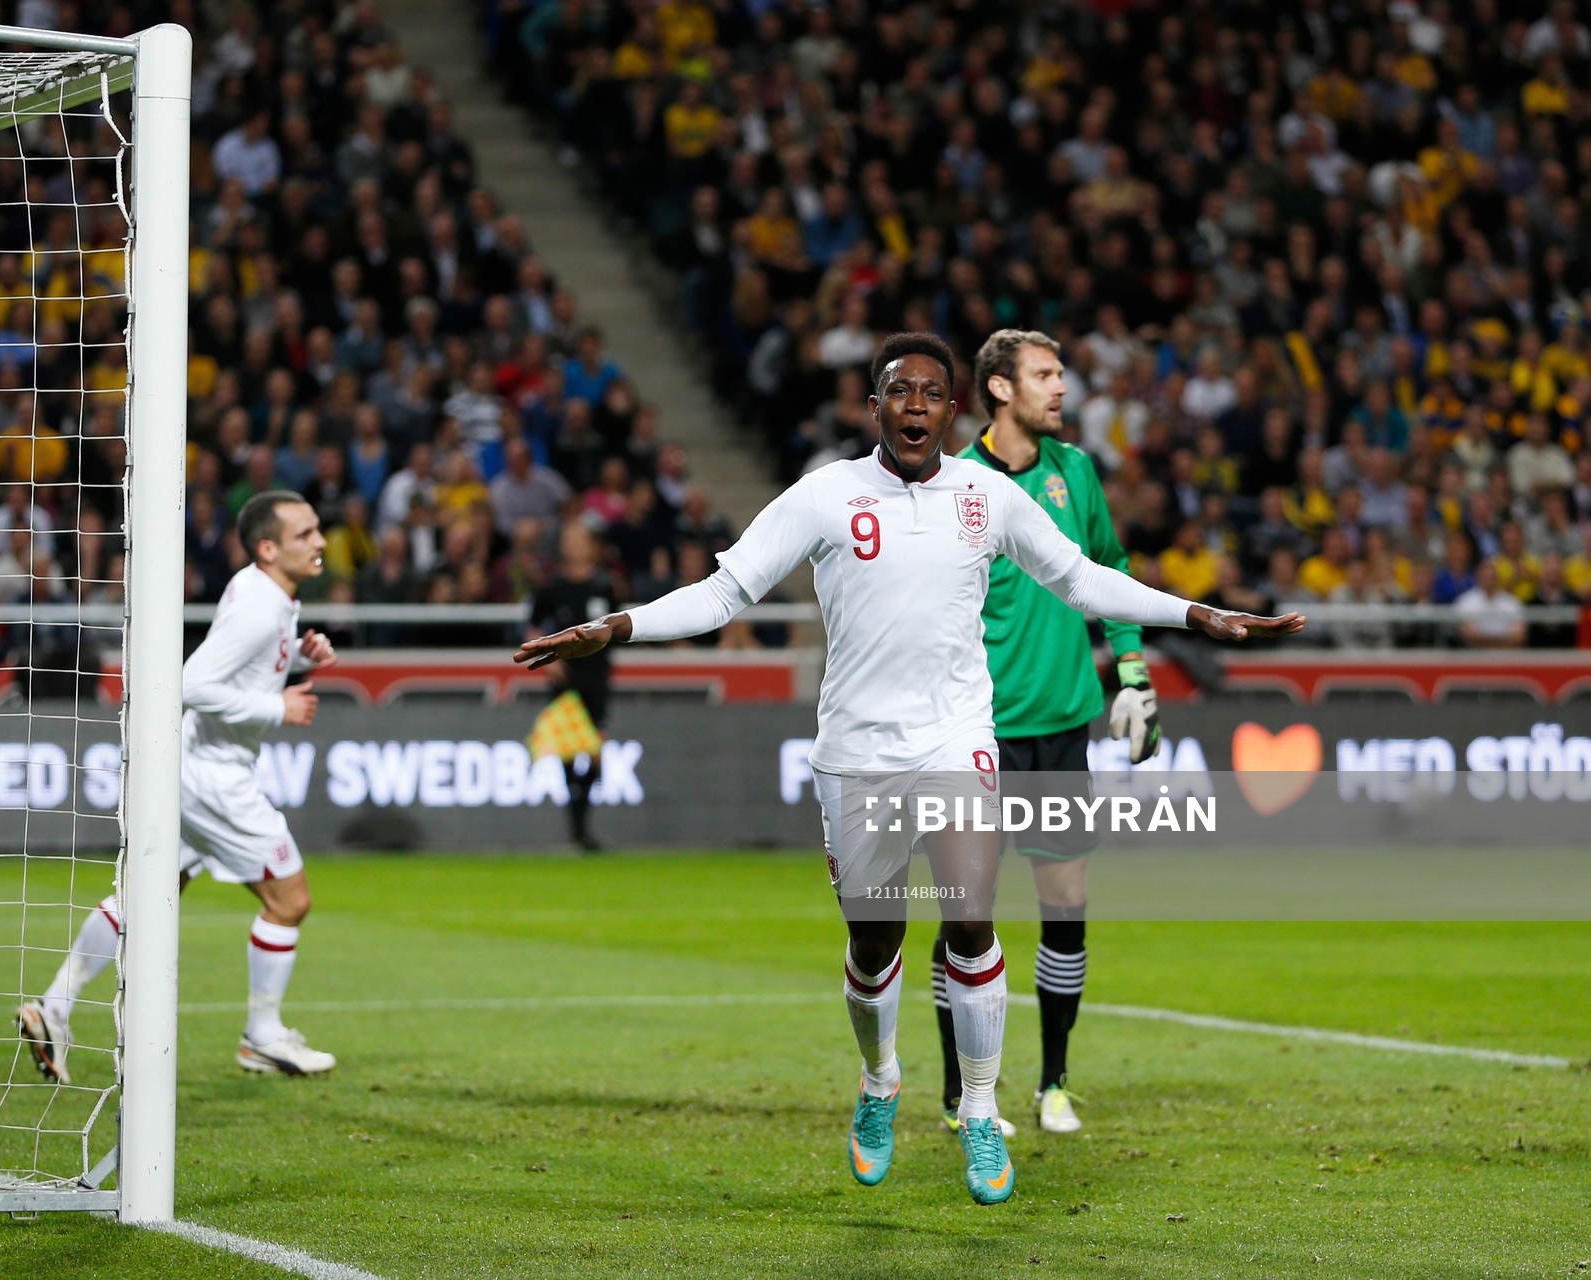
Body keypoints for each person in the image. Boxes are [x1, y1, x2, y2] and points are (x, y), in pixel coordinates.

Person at [514, 333, 1304, 1206]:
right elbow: (722, 594)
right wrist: (613, 626)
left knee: (969, 919)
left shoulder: (987, 497)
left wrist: (1197, 615)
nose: (917, 405)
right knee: (873, 943)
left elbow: (1081, 580)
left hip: (956, 740)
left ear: (952, 409)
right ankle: (881, 1079)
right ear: (875, 408)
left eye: (932, 392)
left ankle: (975, 1106)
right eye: (900, 391)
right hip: (854, 753)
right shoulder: (825, 496)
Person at [931, 328, 1166, 1143]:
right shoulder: (956, 483)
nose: (1060, 389)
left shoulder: (1074, 473)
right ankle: (959, 1091)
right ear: (999, 390)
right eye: (1043, 375)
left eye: (1060, 373)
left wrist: (1131, 672)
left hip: (1064, 724)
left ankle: (1054, 1081)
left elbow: (1108, 569)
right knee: (967, 913)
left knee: (1065, 904)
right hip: (978, 733)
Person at [18, 490, 340, 1081]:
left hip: (187, 767)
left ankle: (54, 1004)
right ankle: (263, 1036)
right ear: (268, 547)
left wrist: (299, 652)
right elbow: (190, 683)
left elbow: (243, 660)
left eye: (318, 530)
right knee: (289, 901)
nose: (320, 541)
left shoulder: (263, 592)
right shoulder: (260, 606)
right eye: (305, 534)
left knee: (152, 892)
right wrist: (278, 708)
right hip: (215, 778)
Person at [528, 521, 619, 851]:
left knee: (596, 755)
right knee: (567, 752)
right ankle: (579, 830)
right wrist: (546, 658)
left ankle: (581, 822)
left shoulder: (603, 586)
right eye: (570, 539)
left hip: (596, 678)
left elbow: (616, 629)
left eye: (581, 540)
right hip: (565, 680)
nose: (575, 546)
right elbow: (533, 627)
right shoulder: (551, 589)